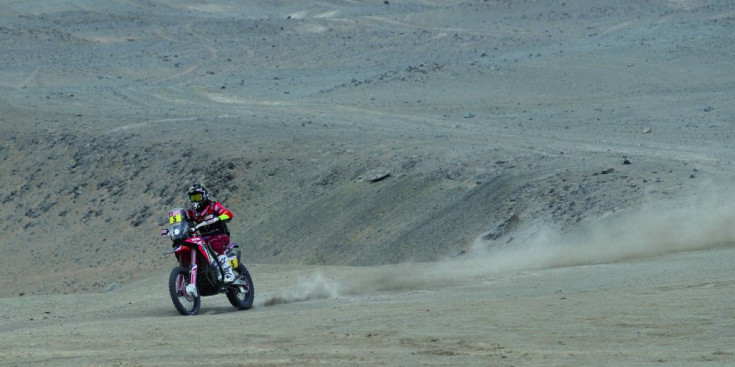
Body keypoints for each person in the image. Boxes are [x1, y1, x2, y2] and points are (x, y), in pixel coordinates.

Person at [186, 182, 236, 284]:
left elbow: (229, 214)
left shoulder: (213, 206)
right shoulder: (192, 212)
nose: (195, 200)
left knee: (214, 244)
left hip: (219, 234)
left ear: (204, 195)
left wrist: (217, 218)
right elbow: (185, 219)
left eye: (197, 197)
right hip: (203, 238)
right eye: (193, 198)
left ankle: (228, 273)